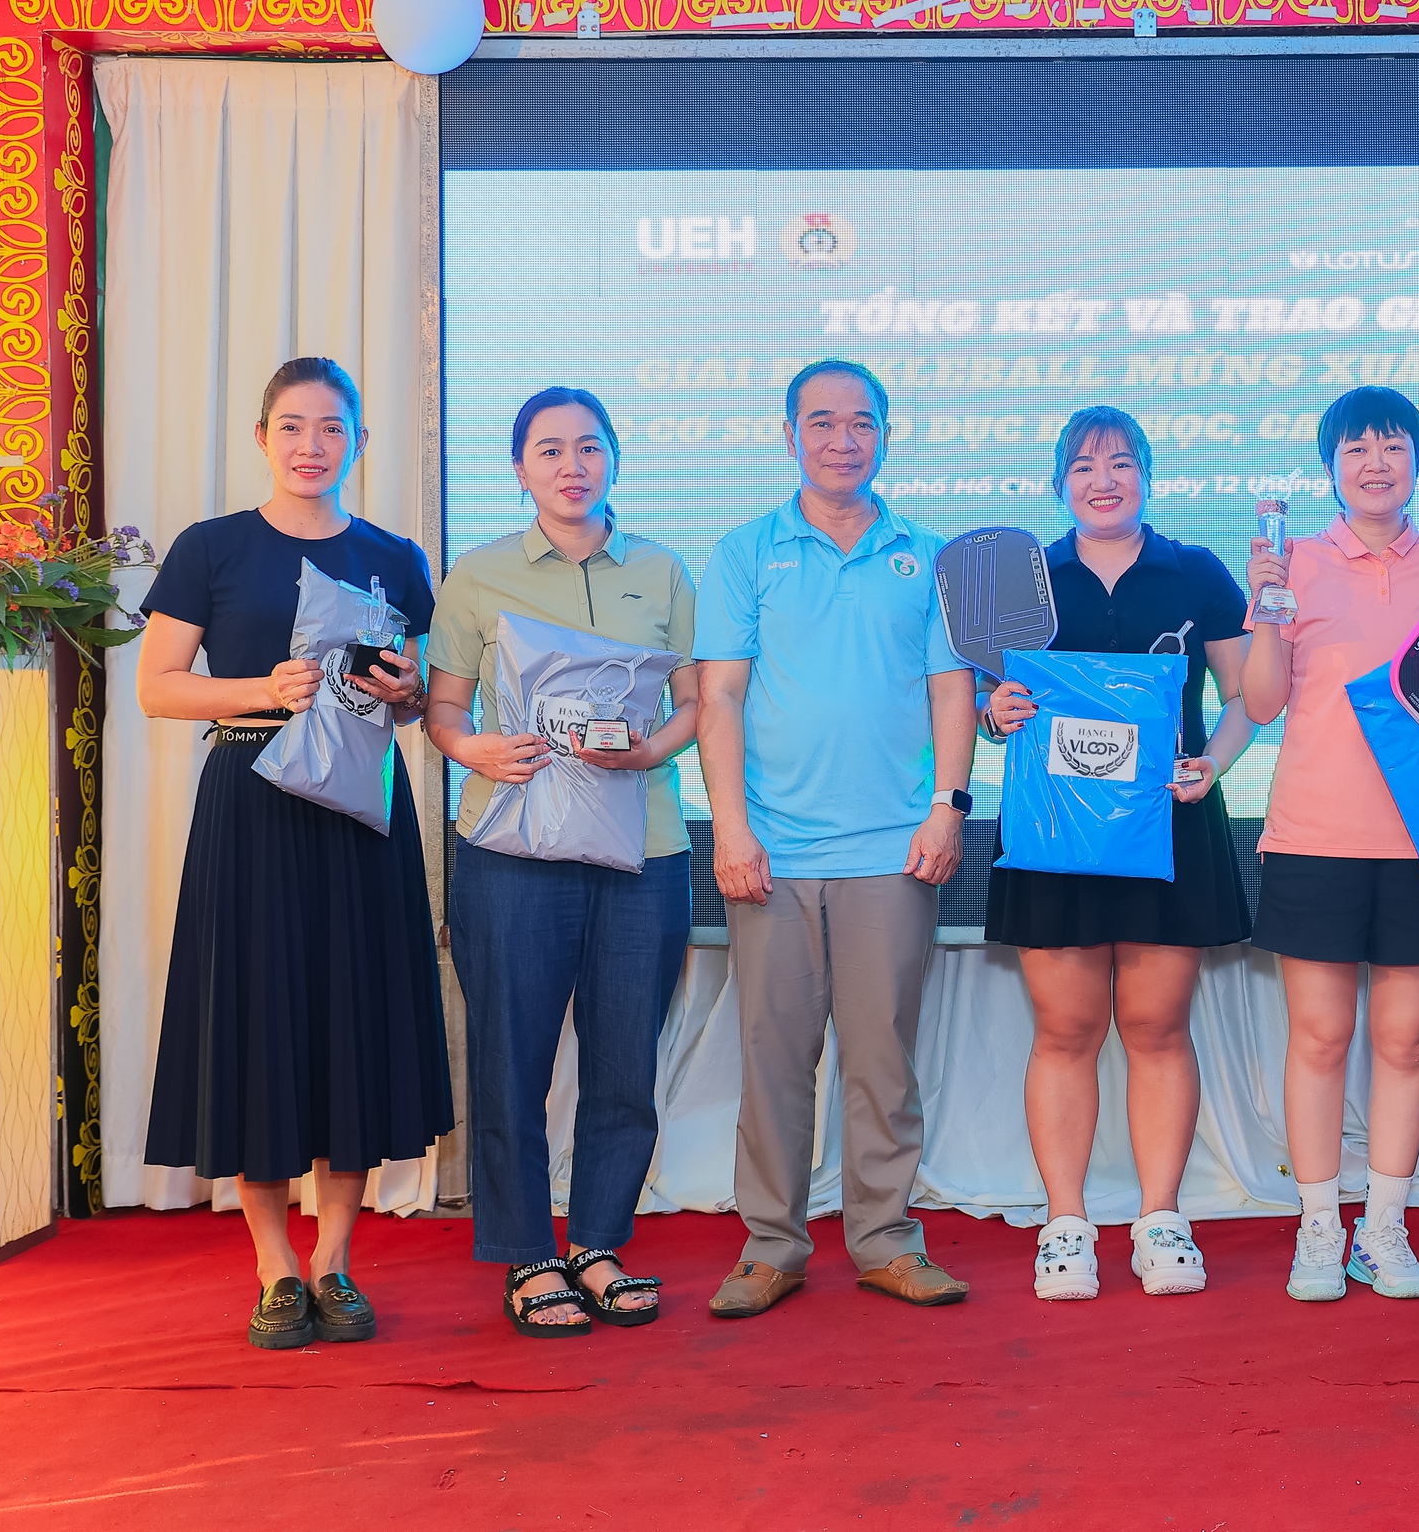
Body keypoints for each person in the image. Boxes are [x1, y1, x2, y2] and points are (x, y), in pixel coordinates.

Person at [133, 356, 447, 1351]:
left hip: (359, 810)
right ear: (262, 438)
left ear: (358, 441)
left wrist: (403, 692)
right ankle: (275, 1268)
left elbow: (423, 689)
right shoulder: (212, 549)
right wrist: (263, 691)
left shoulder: (395, 557)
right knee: (258, 1025)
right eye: (293, 426)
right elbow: (159, 687)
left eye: (332, 429)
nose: (312, 445)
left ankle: (335, 1262)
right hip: (252, 804)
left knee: (350, 1022)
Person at [693, 359, 979, 1317]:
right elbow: (720, 694)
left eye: (862, 422)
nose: (842, 439)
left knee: (881, 1058)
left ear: (886, 435)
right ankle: (771, 1245)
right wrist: (729, 825)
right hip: (770, 850)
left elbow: (952, 689)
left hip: (894, 850)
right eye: (822, 422)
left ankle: (887, 1239)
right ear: (789, 437)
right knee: (774, 1058)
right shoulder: (744, 552)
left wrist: (949, 803)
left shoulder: (929, 557)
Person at [425, 389, 701, 1339]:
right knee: (511, 1053)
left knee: (626, 1054)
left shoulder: (662, 572)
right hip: (512, 848)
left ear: (615, 459)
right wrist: (475, 752)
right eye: (550, 450)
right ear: (520, 468)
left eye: (589, 447)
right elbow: (442, 713)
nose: (571, 465)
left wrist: (653, 751)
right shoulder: (476, 576)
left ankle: (596, 1239)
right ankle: (524, 1253)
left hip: (644, 848)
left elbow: (699, 703)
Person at [1242, 385, 1419, 1303]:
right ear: (1330, 465)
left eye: (1393, 445)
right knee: (1321, 1037)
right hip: (1314, 835)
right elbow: (1257, 704)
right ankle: (1320, 1227)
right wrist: (1265, 611)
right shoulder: (1292, 565)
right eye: (1357, 447)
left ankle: (1386, 1228)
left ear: (1417, 459)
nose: (1376, 462)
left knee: (1407, 1038)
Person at [980, 408, 1259, 1300]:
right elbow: (990, 696)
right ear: (1060, 481)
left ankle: (1160, 1218)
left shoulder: (1198, 573)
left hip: (1167, 831)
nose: (1104, 479)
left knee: (1156, 1028)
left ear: (1148, 474)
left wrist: (1212, 764)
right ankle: (1065, 1225)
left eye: (1122, 462)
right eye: (1085, 465)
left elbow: (1251, 696)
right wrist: (999, 713)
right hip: (1052, 834)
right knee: (1064, 1030)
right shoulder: (1028, 578)